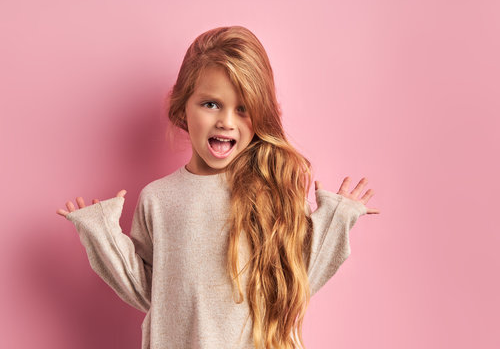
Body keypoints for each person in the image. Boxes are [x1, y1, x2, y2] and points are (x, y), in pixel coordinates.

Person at [56, 25, 380, 349]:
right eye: (211, 104)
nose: (226, 121)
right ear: (184, 107)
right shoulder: (158, 199)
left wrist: (336, 218)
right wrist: (102, 235)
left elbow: (296, 278)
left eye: (243, 108)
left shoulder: (269, 193)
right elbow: (150, 291)